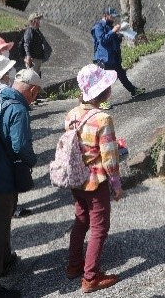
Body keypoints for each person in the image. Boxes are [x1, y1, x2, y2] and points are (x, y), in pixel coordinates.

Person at [0, 69, 42, 298]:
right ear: (32, 90)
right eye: (36, 92)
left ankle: (4, 262)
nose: (35, 97)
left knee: (2, 221)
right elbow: (20, 147)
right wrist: (33, 159)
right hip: (0, 179)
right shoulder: (18, 108)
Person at [64, 64, 122, 294]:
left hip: (76, 179)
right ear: (104, 92)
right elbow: (109, 157)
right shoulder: (103, 118)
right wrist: (116, 185)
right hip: (95, 181)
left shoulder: (71, 115)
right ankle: (90, 277)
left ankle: (73, 265)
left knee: (81, 220)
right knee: (99, 227)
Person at [91, 7, 145, 110]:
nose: (113, 19)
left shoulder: (110, 26)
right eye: (112, 17)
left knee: (122, 75)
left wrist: (120, 34)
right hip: (103, 59)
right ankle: (101, 101)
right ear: (105, 16)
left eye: (114, 17)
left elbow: (114, 41)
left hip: (113, 57)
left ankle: (133, 91)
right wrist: (113, 31)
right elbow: (102, 40)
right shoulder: (98, 27)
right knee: (104, 81)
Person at [22, 13, 48, 77]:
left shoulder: (37, 31)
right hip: (33, 59)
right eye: (38, 19)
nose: (39, 21)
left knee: (37, 77)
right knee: (32, 77)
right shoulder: (30, 30)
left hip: (38, 58)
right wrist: (28, 56)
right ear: (33, 21)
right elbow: (26, 44)